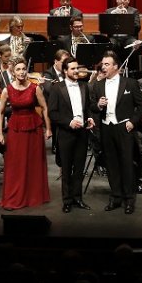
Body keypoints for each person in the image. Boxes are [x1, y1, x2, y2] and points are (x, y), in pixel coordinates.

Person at [88, 51, 142, 214]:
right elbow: (92, 107)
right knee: (111, 164)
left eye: (107, 64)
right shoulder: (98, 85)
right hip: (106, 128)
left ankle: (129, 199)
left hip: (123, 127)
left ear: (115, 66)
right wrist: (98, 105)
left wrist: (132, 122)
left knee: (127, 163)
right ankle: (116, 196)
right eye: (102, 64)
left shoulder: (130, 83)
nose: (103, 67)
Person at [0, 58, 52, 210]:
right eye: (18, 70)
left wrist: (48, 128)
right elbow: (0, 113)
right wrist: (0, 133)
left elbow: (45, 107)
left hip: (33, 128)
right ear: (13, 72)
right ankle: (14, 196)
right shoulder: (7, 89)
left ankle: (31, 195)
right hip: (15, 129)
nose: (21, 72)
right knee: (15, 163)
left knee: (33, 162)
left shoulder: (35, 88)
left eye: (23, 69)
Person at [47, 58, 95, 212]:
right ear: (65, 71)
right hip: (66, 134)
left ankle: (78, 198)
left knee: (79, 169)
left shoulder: (84, 86)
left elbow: (86, 108)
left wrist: (89, 118)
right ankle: (67, 201)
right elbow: (52, 113)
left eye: (77, 68)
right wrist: (69, 122)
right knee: (67, 169)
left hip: (82, 133)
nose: (76, 71)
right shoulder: (57, 88)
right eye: (73, 69)